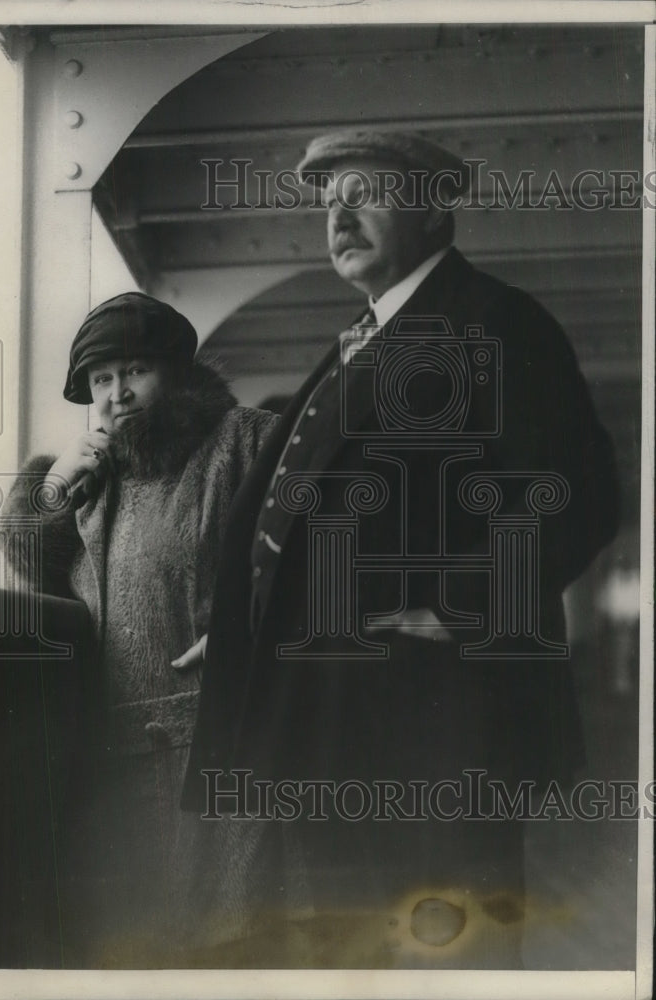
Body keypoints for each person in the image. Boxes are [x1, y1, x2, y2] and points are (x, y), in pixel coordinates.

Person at [181, 130, 620, 967]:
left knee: (448, 956)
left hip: (438, 722)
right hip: (338, 719)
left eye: (364, 194)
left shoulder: (491, 319)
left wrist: (461, 606)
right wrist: (248, 624)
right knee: (359, 953)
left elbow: (576, 493)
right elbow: (307, 514)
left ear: (431, 208)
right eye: (326, 203)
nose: (338, 217)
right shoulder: (365, 335)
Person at [1, 291, 278, 967]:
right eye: (101, 379)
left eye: (135, 371)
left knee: (237, 949)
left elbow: (311, 554)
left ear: (175, 372)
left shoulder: (246, 440)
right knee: (137, 951)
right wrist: (50, 494)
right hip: (118, 757)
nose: (117, 393)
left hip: (228, 748)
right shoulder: (91, 475)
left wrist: (250, 630)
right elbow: (36, 571)